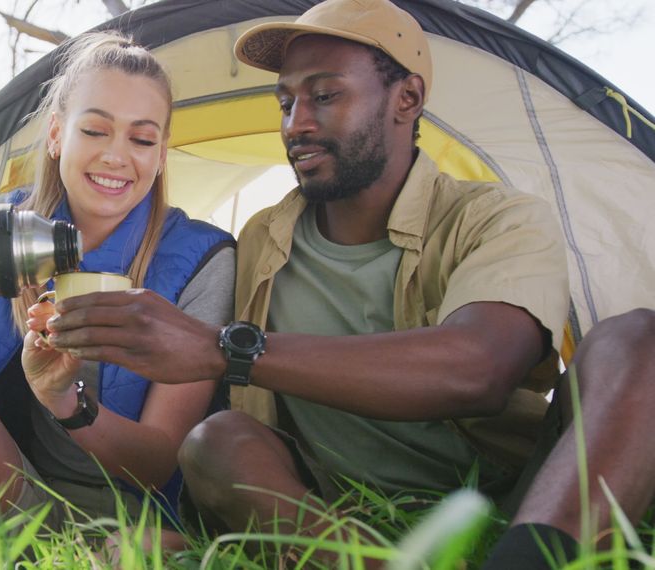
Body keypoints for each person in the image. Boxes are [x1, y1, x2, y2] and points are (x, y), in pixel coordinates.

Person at [39, 0, 655, 567]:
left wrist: (221, 348)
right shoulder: (258, 240)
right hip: (333, 508)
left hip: (507, 490)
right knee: (216, 441)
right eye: (285, 103)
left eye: (325, 96)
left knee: (636, 342)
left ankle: (525, 558)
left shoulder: (496, 219)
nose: (297, 123)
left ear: (406, 99)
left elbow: (479, 369)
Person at [0, 30, 236, 546]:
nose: (117, 156)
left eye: (141, 139)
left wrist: (66, 400)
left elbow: (157, 466)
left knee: (141, 548)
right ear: (54, 134)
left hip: (122, 519)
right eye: (94, 130)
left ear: (161, 155)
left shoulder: (203, 259)